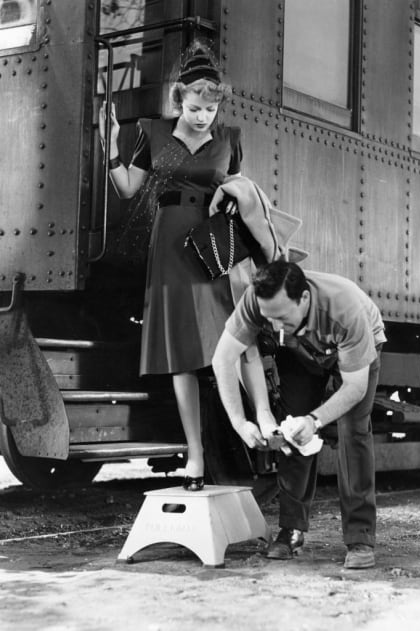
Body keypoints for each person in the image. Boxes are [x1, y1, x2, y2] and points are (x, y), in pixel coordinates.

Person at [99, 41, 243, 491]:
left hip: (212, 244)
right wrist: (110, 144)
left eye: (211, 108)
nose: (203, 116)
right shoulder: (152, 133)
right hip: (170, 245)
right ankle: (195, 458)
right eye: (196, 106)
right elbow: (126, 189)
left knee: (228, 348)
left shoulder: (230, 141)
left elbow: (239, 194)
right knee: (182, 356)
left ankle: (243, 441)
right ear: (180, 98)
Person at [212, 260, 386, 569]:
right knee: (289, 430)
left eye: (281, 317)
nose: (275, 326)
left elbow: (355, 387)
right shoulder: (258, 299)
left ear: (303, 299)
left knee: (354, 432)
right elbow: (223, 358)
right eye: (269, 319)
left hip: (356, 351)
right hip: (300, 348)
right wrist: (245, 422)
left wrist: (315, 421)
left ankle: (360, 537)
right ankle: (291, 529)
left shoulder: (344, 308)